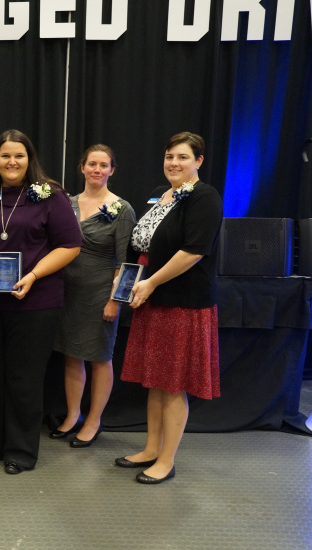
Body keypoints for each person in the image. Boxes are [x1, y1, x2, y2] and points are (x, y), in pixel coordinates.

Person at [0, 129, 82, 474]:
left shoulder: (50, 195)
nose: (11, 162)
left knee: (24, 378)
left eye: (19, 156)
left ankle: (20, 450)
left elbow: (70, 246)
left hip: (36, 303)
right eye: (5, 156)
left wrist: (32, 276)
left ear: (29, 159)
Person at [117, 132, 222, 484]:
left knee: (173, 384)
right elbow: (142, 244)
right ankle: (150, 449)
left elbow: (193, 252)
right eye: (169, 157)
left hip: (182, 303)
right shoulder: (161, 196)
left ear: (199, 161)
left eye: (182, 157)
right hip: (152, 299)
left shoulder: (204, 197)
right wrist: (130, 279)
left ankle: (167, 459)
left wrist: (150, 282)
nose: (174, 163)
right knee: (155, 382)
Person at [51, 145, 136, 448]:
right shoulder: (68, 203)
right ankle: (73, 415)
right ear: (82, 167)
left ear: (112, 170)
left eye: (104, 165)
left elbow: (127, 262)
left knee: (100, 358)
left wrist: (116, 300)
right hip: (67, 292)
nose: (97, 170)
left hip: (101, 293)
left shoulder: (122, 209)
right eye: (92, 164)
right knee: (71, 356)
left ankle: (94, 420)